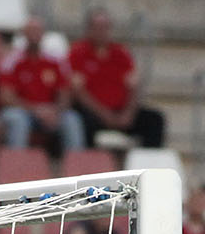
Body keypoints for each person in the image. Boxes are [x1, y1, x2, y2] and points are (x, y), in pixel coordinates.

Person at [67, 9, 163, 148]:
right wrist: (105, 115)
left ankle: (148, 163)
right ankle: (89, 165)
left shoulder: (120, 53)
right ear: (89, 29)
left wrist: (128, 114)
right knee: (81, 121)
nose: (102, 32)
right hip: (94, 113)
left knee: (154, 119)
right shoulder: (78, 53)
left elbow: (134, 86)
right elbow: (78, 92)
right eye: (97, 27)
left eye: (105, 27)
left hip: (121, 112)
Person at [0, 19, 83, 156]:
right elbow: (6, 97)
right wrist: (36, 110)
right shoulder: (11, 61)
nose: (34, 36)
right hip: (23, 111)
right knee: (18, 120)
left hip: (51, 111)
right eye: (30, 32)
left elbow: (64, 94)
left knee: (72, 119)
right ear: (24, 35)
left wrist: (55, 111)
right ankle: (16, 167)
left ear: (43, 34)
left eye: (37, 31)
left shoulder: (55, 61)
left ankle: (77, 169)